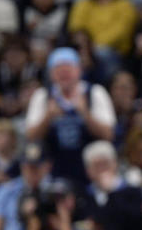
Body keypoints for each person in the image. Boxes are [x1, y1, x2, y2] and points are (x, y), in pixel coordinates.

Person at [24, 47, 115, 187]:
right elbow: (31, 137)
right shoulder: (42, 96)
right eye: (59, 70)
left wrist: (85, 114)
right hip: (55, 169)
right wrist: (48, 116)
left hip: (90, 172)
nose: (64, 74)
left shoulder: (95, 93)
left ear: (79, 70)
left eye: (68, 69)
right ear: (51, 74)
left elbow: (108, 135)